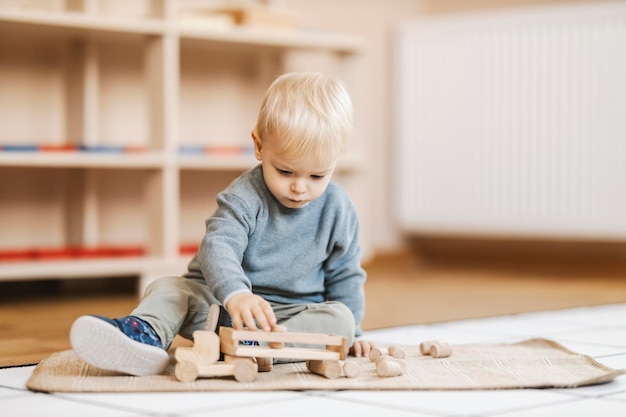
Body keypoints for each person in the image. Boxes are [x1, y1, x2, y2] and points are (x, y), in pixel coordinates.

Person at [70, 71, 373, 376]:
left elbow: (345, 275)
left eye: (317, 176)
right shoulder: (245, 196)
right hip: (222, 309)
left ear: (336, 158)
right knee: (169, 289)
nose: (299, 187)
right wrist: (237, 295)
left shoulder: (339, 209)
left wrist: (354, 334)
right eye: (285, 171)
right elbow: (218, 246)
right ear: (259, 146)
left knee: (341, 318)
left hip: (290, 318)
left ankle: (261, 347)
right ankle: (144, 335)